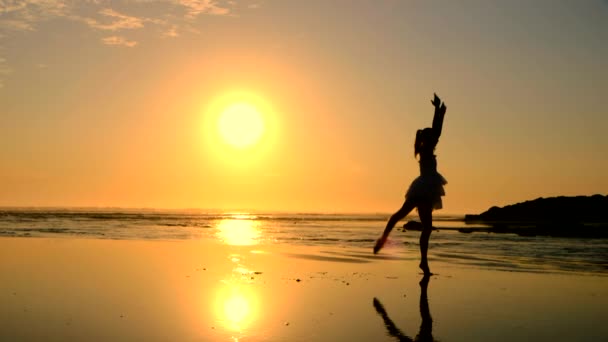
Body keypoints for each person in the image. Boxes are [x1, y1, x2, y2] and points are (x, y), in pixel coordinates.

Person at [374, 93, 447, 276]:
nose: (436, 138)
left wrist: (438, 110)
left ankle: (389, 242)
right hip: (426, 187)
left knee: (406, 218)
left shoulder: (424, 147)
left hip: (424, 187)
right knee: (418, 223)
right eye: (432, 136)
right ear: (428, 139)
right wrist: (438, 111)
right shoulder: (426, 148)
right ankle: (419, 259)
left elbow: (436, 130)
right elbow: (437, 130)